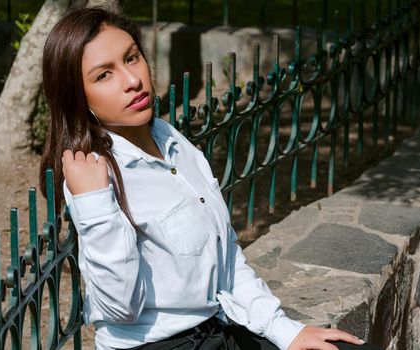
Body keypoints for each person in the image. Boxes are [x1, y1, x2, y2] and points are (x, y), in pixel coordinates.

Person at [40, 6, 383, 350]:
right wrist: (94, 203)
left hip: (218, 330)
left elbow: (227, 256)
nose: (132, 80)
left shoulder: (172, 140)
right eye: (104, 75)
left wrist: (285, 331)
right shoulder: (95, 175)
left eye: (132, 58)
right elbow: (119, 309)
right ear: (78, 97)